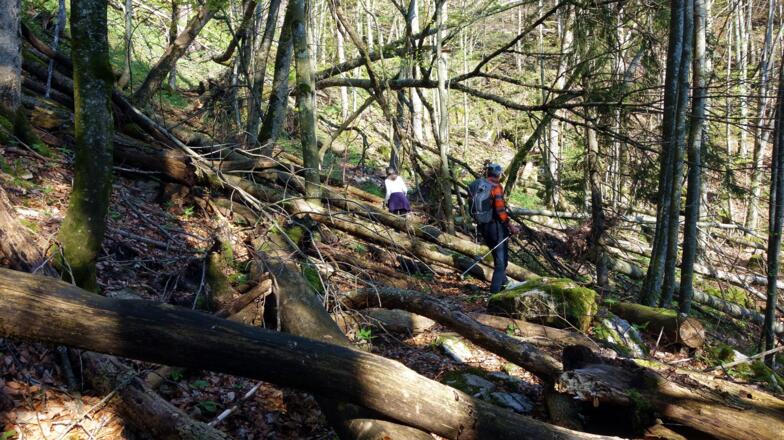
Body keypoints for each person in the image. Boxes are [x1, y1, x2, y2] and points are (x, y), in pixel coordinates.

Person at [468, 163, 520, 293]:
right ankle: (495, 294)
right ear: (498, 174)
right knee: (501, 263)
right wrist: (511, 226)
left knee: (498, 259)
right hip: (495, 227)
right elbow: (500, 211)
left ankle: (505, 285)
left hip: (482, 226)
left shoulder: (475, 184)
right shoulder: (496, 187)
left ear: (487, 173)